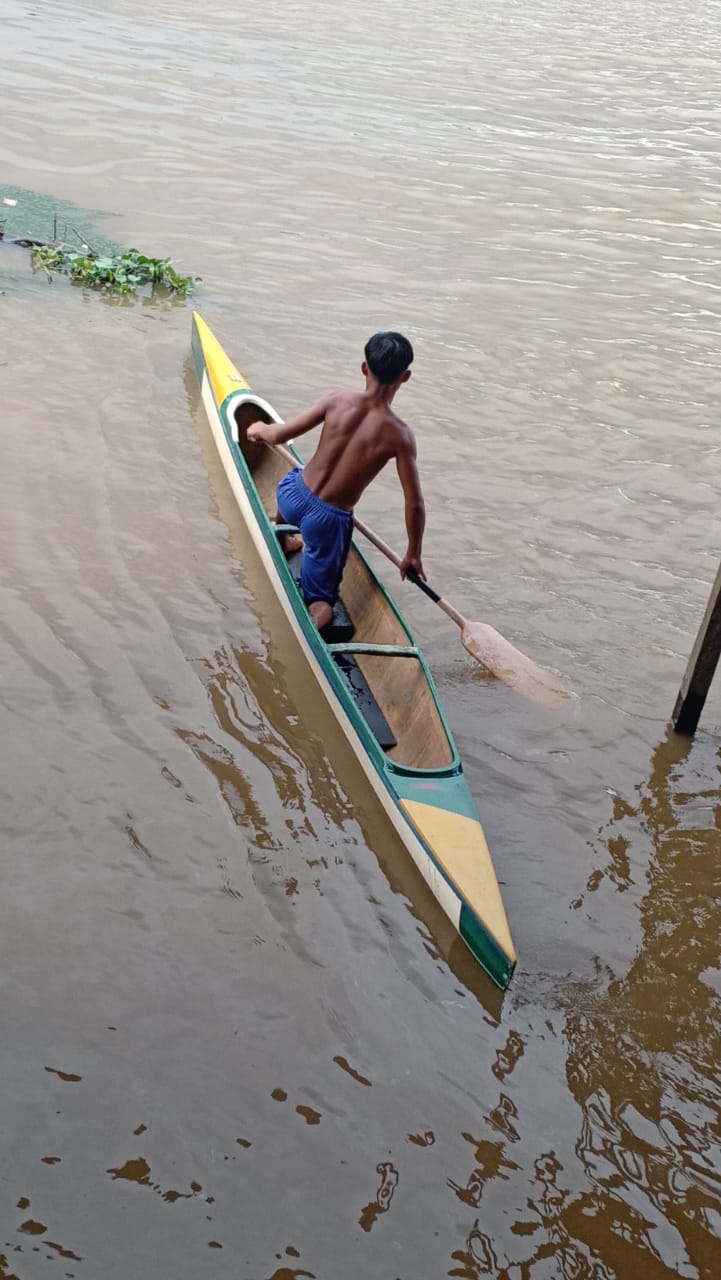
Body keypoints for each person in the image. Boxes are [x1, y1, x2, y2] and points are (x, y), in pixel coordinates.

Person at [247, 331, 425, 630]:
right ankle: (308, 628)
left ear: (364, 368)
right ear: (405, 377)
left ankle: (285, 537)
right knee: (323, 602)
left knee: (293, 479)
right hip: (327, 521)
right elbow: (414, 503)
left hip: (292, 495)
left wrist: (258, 428)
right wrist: (413, 554)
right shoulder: (400, 436)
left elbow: (279, 435)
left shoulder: (337, 400)